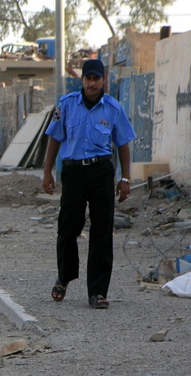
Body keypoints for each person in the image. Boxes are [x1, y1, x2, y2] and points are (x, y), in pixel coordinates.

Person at [42, 58, 135, 310]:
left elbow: (123, 143)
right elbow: (54, 138)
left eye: (96, 78)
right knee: (68, 228)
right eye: (88, 78)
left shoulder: (113, 108)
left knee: (102, 232)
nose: (92, 83)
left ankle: (98, 292)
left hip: (101, 172)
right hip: (73, 173)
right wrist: (47, 172)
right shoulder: (67, 104)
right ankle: (64, 276)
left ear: (103, 80)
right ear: (82, 80)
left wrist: (125, 178)